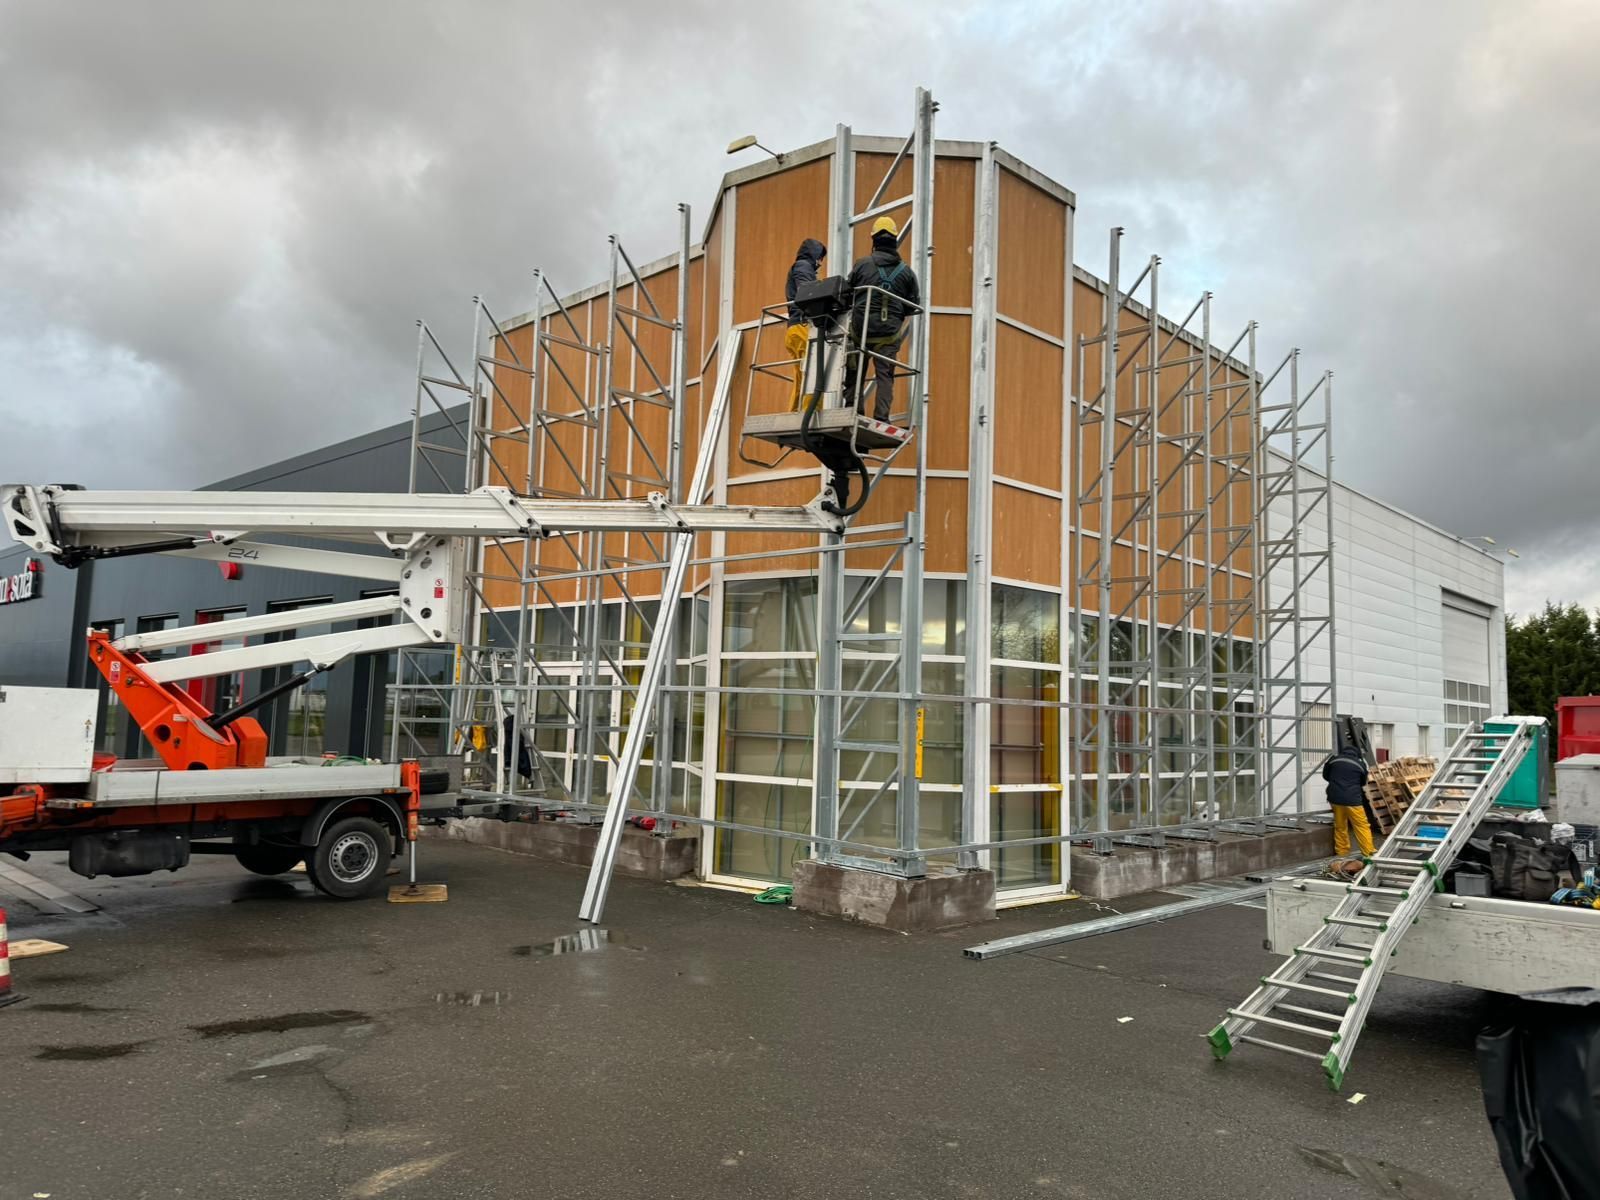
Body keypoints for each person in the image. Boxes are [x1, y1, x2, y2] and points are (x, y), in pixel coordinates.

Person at [842, 215, 921, 420]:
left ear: (874, 240)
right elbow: (912, 305)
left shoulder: (861, 265)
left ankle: (852, 410)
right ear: (894, 240)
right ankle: (881, 417)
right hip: (888, 335)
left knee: (854, 371)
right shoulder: (907, 273)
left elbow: (847, 294)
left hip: (860, 331)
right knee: (885, 375)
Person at [784, 238, 826, 412]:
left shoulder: (800, 267)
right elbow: (807, 291)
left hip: (795, 328)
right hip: (803, 326)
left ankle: (795, 413)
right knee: (813, 372)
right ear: (813, 254)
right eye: (820, 258)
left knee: (801, 377)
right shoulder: (803, 266)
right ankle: (811, 412)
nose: (820, 263)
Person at [1323, 744, 1375, 857]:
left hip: (1335, 799)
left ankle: (1342, 853)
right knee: (1361, 826)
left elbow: (1325, 776)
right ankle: (1368, 853)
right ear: (1356, 754)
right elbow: (1363, 782)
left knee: (1340, 826)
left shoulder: (1333, 760)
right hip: (1353, 800)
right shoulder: (1360, 764)